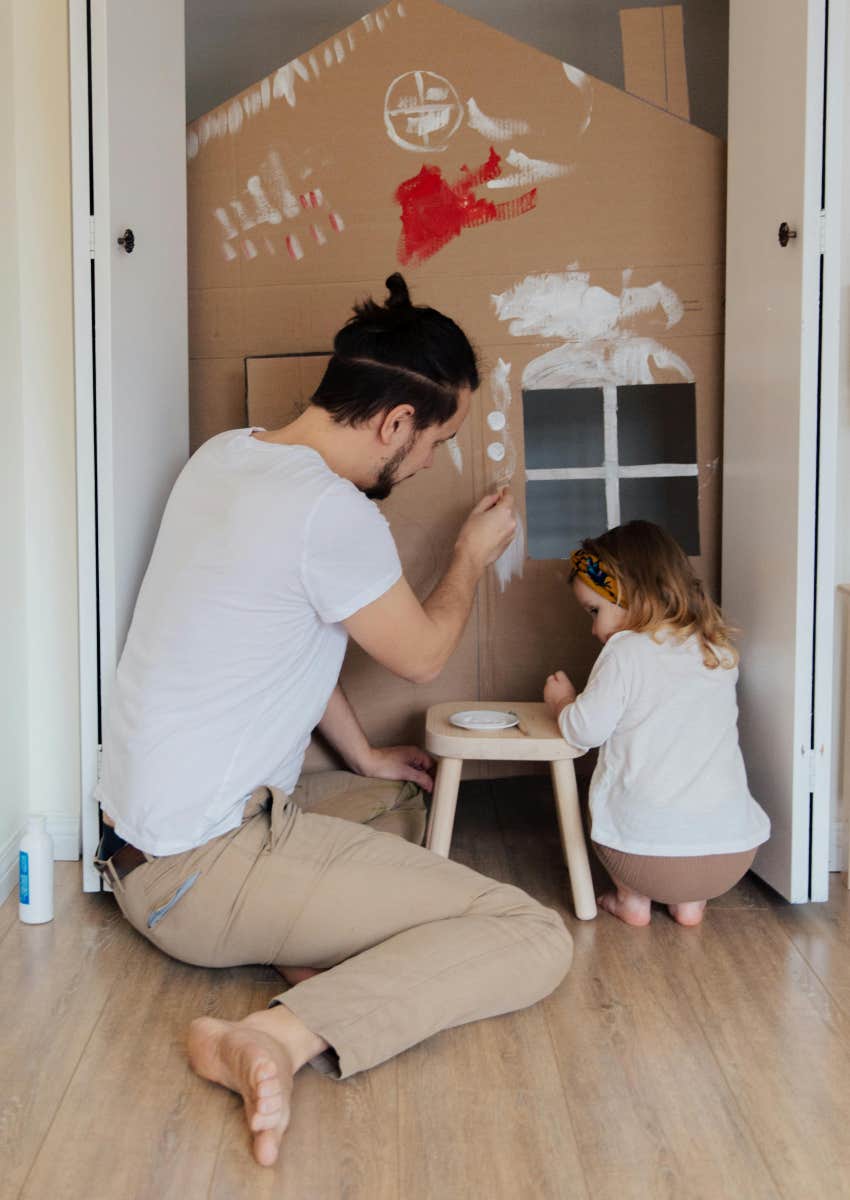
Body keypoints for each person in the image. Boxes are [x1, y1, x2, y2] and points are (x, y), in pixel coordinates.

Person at [94, 273, 573, 1167]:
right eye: (437, 440)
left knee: (399, 805)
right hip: (198, 875)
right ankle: (277, 1036)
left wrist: (365, 755)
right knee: (531, 936)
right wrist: (469, 554)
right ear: (396, 422)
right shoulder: (330, 513)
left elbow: (287, 650)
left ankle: (304, 955)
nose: (431, 462)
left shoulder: (227, 455)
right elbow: (425, 653)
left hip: (136, 848)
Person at [543, 520, 770, 928]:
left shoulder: (624, 652)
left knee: (609, 802)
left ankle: (631, 899)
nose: (595, 629)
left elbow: (585, 731)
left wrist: (562, 703)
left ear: (629, 594)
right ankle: (690, 905)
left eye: (595, 611)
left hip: (644, 860)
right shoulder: (717, 648)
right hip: (730, 857)